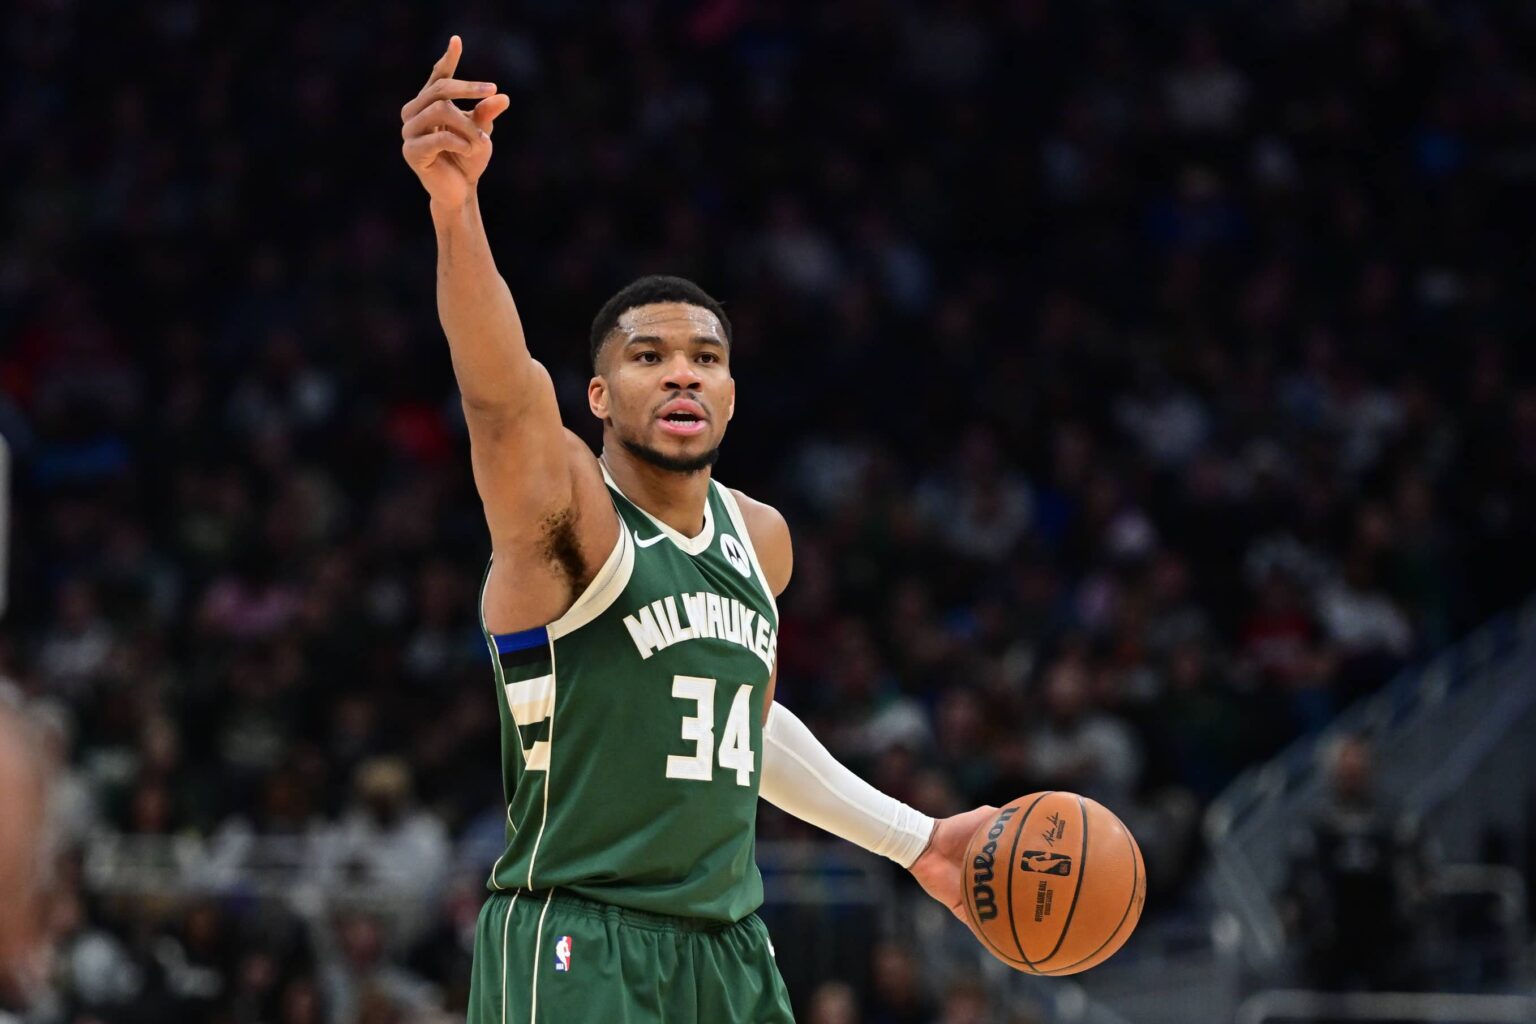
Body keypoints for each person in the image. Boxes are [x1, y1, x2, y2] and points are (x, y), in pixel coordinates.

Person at [400, 35, 994, 1023]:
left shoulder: (761, 540)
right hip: (577, 936)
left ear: (730, 390)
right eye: (648, 355)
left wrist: (914, 839)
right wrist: (456, 210)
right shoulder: (566, 516)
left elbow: (741, 729)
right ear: (597, 394)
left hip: (730, 948)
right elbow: (503, 400)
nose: (682, 370)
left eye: (705, 357)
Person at [1281, 734, 1430, 991]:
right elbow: (1297, 880)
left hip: (1387, 937)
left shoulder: (1395, 822)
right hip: (1330, 941)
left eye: (1359, 771)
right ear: (1334, 776)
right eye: (1347, 772)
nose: (1353, 778)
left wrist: (1417, 898)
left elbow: (1420, 873)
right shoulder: (1316, 827)